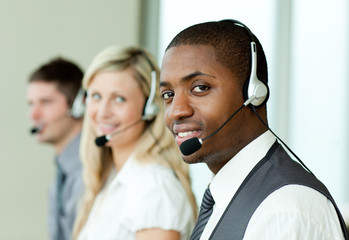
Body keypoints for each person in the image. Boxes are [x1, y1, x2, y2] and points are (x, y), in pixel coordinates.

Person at [159, 19, 348, 239]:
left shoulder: (282, 210)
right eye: (168, 95)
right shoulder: (223, 199)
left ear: (253, 93)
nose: (175, 111)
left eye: (200, 88)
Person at [72, 45, 197, 240]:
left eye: (119, 99)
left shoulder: (154, 187)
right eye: (96, 96)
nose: (103, 111)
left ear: (150, 108)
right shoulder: (112, 177)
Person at [27, 57, 85, 240]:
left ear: (78, 105)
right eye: (31, 104)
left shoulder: (91, 169)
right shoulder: (64, 169)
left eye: (45, 102)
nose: (33, 115)